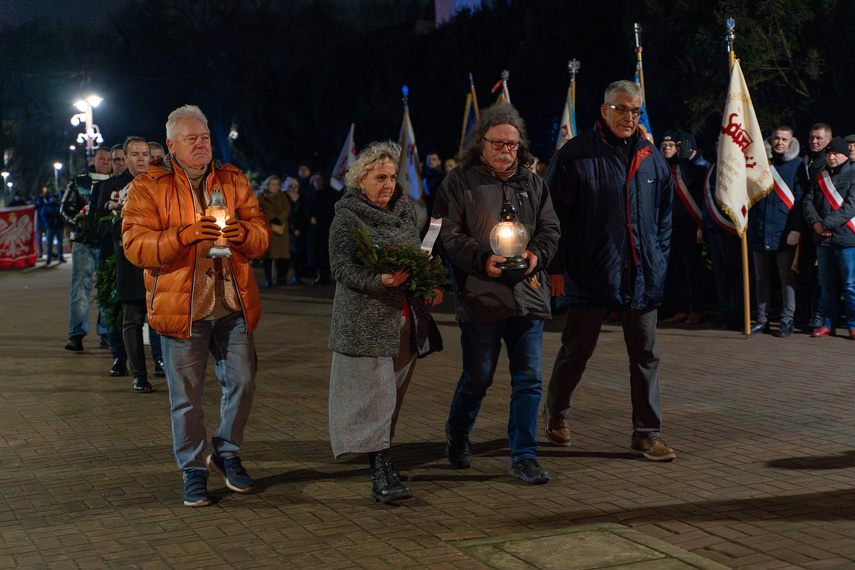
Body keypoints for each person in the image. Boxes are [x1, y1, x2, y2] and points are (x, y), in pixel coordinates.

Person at [122, 105, 270, 507]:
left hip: (233, 305)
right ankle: (192, 468)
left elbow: (261, 236)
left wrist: (240, 233)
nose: (202, 144)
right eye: (192, 139)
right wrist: (184, 235)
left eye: (205, 137)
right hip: (181, 310)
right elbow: (136, 247)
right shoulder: (147, 187)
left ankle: (225, 451)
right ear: (171, 146)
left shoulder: (233, 180)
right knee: (186, 398)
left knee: (243, 382)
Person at [543, 80, 675, 461]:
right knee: (577, 350)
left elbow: (664, 215)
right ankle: (556, 413)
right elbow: (553, 218)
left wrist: (659, 256)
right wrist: (557, 268)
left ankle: (646, 434)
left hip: (642, 275)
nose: (629, 117)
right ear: (604, 110)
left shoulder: (652, 156)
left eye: (635, 111)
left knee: (645, 356)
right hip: (590, 274)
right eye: (621, 109)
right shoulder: (575, 154)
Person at [433, 102, 560, 484]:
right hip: (482, 296)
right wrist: (480, 261)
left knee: (529, 379)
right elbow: (446, 232)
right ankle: (458, 431)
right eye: (498, 144)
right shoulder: (459, 182)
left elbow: (550, 228)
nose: (507, 151)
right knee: (478, 376)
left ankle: (523, 455)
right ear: (482, 143)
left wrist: (536, 256)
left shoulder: (533, 182)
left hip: (528, 295)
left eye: (513, 145)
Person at [328, 141, 441, 503]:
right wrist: (381, 281)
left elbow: (415, 256)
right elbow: (341, 267)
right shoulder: (347, 215)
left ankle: (382, 457)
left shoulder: (405, 211)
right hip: (366, 322)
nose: (388, 184)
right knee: (374, 396)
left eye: (392, 177)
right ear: (361, 180)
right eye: (380, 177)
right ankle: (380, 471)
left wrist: (426, 284)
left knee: (390, 395)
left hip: (406, 321)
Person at [101, 137, 157, 392]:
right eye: (135, 154)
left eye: (145, 153)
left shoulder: (163, 183)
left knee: (162, 316)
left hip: (158, 259)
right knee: (133, 318)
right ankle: (139, 374)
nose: (142, 158)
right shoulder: (111, 188)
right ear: (125, 158)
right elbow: (97, 225)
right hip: (129, 262)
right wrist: (121, 221)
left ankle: (163, 362)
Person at [747, 127, 809, 338]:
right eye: (776, 139)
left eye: (784, 139)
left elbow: (800, 200)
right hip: (760, 230)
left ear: (791, 142)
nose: (780, 142)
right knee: (761, 278)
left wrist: (797, 228)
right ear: (770, 140)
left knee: (786, 278)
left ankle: (787, 319)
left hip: (784, 231)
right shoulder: (759, 162)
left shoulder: (797, 164)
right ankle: (762, 320)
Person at [802, 137, 855, 339]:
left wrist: (824, 224)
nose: (832, 157)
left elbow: (850, 208)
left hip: (847, 239)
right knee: (826, 284)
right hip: (822, 240)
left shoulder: (853, 175)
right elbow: (808, 202)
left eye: (836, 154)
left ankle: (853, 324)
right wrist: (815, 224)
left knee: (850, 285)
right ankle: (828, 324)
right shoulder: (820, 177)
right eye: (829, 154)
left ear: (845, 155)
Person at [61, 146, 112, 351]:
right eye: (102, 158)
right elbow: (65, 207)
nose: (106, 162)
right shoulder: (80, 181)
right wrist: (77, 222)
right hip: (83, 241)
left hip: (107, 242)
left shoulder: (115, 182)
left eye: (109, 159)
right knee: (80, 288)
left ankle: (107, 333)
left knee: (107, 288)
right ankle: (76, 334)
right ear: (94, 160)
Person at [660, 130, 706, 325]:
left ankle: (695, 309)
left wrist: (685, 158)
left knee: (692, 270)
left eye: (679, 146)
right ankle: (680, 308)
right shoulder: (668, 168)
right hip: (672, 227)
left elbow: (690, 181)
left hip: (691, 226)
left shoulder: (696, 168)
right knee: (676, 270)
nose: (675, 150)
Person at [796, 123, 833, 333]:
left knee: (823, 276)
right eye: (811, 138)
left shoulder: (829, 164)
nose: (814, 141)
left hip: (824, 226)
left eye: (819, 138)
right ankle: (807, 312)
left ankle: (820, 314)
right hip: (807, 225)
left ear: (829, 140)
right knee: (807, 272)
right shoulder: (806, 161)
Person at [257, 175, 291, 287]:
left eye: (277, 184)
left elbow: (287, 209)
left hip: (281, 229)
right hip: (268, 228)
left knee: (282, 255)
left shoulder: (282, 196)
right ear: (267, 185)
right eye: (272, 184)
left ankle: (281, 279)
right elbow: (261, 210)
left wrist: (280, 218)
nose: (274, 187)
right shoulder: (261, 197)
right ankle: (269, 279)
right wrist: (271, 217)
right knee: (269, 255)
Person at [306, 172, 338, 284]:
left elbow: (330, 210)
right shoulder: (309, 194)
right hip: (313, 228)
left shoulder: (329, 194)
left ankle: (325, 275)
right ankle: (318, 274)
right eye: (315, 180)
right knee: (314, 252)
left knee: (324, 251)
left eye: (319, 179)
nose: (317, 182)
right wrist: (310, 218)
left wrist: (319, 218)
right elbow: (306, 208)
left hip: (325, 227)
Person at [284, 175, 308, 284]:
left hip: (300, 229)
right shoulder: (284, 197)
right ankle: (282, 277)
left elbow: (304, 214)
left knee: (298, 253)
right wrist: (292, 228)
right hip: (287, 228)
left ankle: (296, 276)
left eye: (296, 186)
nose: (294, 188)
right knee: (287, 254)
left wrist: (299, 228)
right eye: (291, 186)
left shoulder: (302, 198)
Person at [41, 193, 65, 265]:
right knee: (49, 243)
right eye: (52, 197)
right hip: (50, 226)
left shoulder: (59, 205)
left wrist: (59, 221)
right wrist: (49, 221)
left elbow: (62, 215)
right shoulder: (46, 206)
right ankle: (49, 258)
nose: (53, 199)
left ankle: (60, 257)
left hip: (58, 226)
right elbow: (43, 216)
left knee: (60, 243)